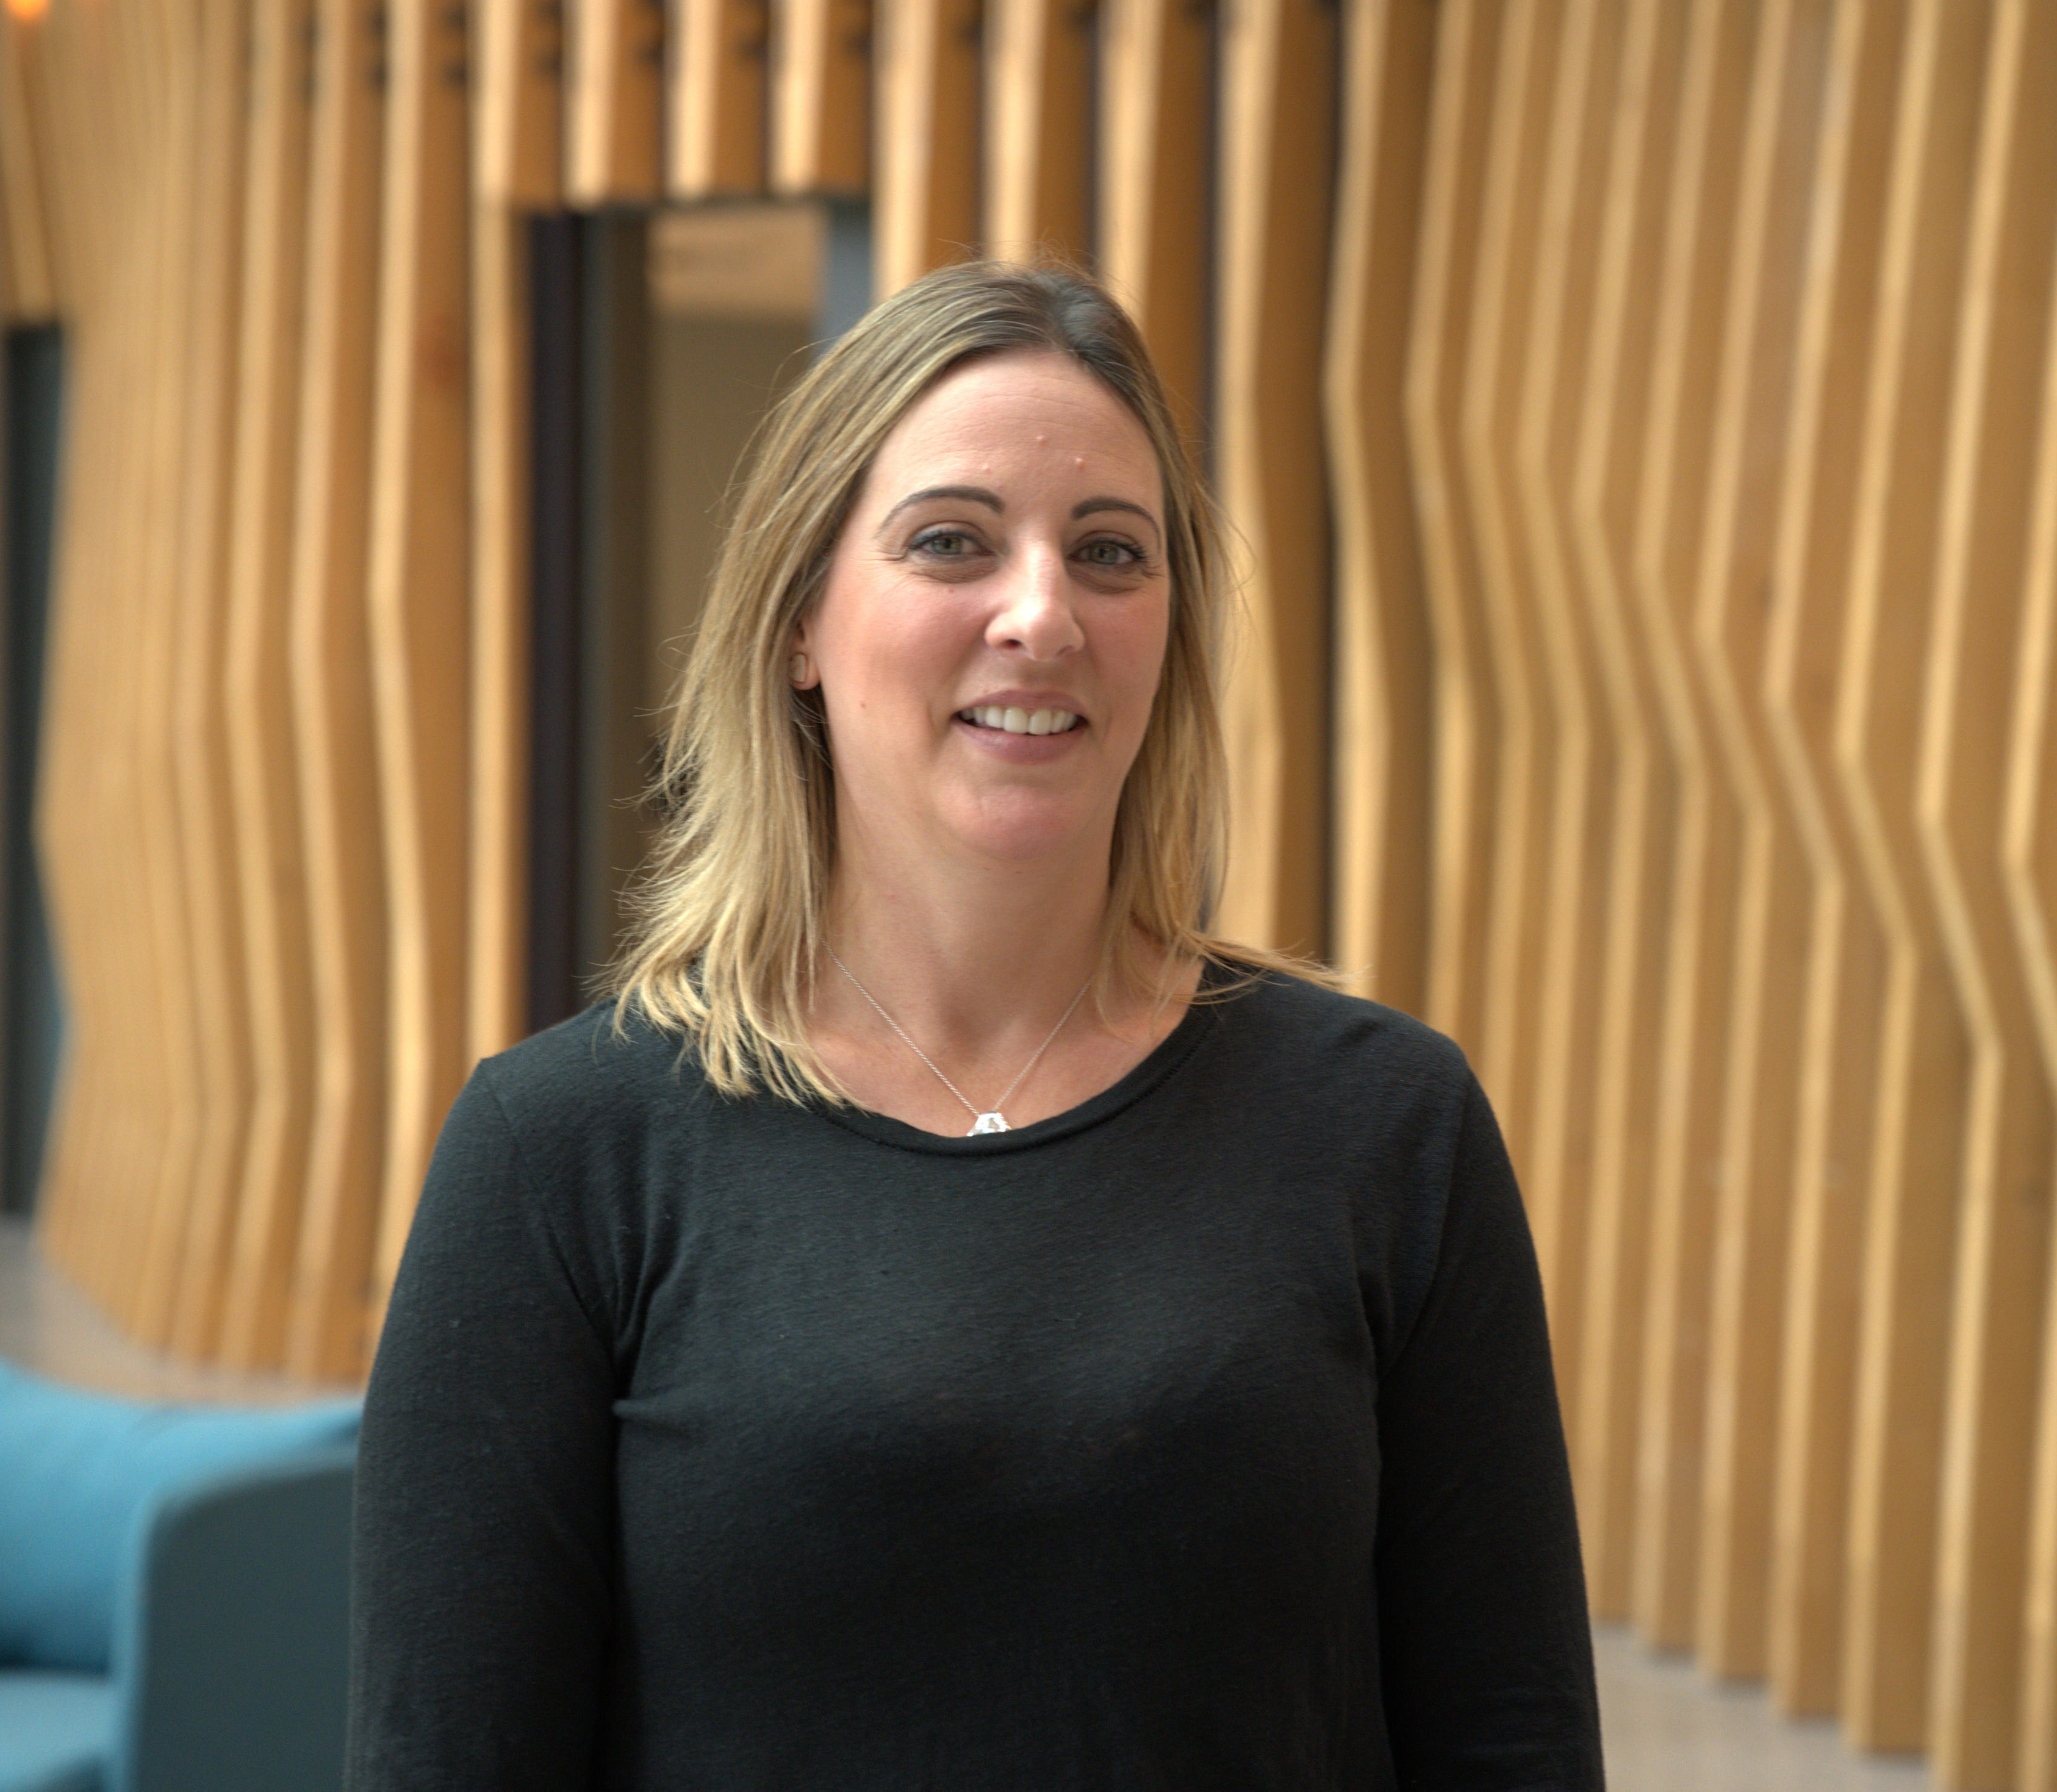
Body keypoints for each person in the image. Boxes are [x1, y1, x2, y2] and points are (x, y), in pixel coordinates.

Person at [348, 262, 1602, 1790]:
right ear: (800, 621)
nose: (1040, 613)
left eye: (1110, 553)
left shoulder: (1385, 1124)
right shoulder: (560, 1152)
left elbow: (1515, 1740)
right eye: (951, 541)